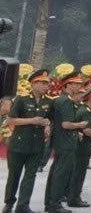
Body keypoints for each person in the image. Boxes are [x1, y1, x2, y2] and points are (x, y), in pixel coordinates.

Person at [3, 69, 52, 213]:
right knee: (14, 176)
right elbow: (10, 120)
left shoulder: (48, 102)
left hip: (37, 146)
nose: (46, 86)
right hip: (19, 145)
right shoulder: (21, 99)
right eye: (43, 83)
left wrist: (47, 125)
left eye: (47, 83)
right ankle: (9, 203)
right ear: (34, 83)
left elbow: (50, 118)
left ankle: (23, 205)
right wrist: (32, 120)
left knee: (30, 176)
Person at [44, 72, 88, 213]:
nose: (79, 87)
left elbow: (50, 118)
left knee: (55, 173)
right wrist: (80, 125)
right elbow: (66, 124)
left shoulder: (58, 100)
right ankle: (54, 204)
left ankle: (50, 203)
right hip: (66, 142)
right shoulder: (66, 101)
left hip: (60, 141)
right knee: (61, 174)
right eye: (76, 84)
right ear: (68, 85)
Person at [68, 84, 91, 207]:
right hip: (82, 148)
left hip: (82, 147)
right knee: (79, 173)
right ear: (89, 98)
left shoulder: (86, 111)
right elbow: (86, 130)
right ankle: (74, 198)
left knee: (78, 172)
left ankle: (73, 196)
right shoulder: (85, 111)